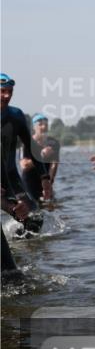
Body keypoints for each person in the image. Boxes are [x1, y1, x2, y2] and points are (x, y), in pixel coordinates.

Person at [1, 73, 37, 280]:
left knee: (12, 275)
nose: (6, 96)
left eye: (9, 92)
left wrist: (14, 203)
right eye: (2, 92)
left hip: (7, 183)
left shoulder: (13, 119)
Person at [20, 114, 60, 203]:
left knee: (52, 207)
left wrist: (50, 182)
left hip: (46, 180)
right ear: (34, 127)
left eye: (46, 124)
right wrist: (41, 155)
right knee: (33, 210)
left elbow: (54, 164)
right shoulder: (27, 142)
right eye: (40, 124)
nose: (44, 127)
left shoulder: (54, 143)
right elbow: (24, 166)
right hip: (29, 182)